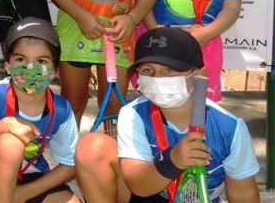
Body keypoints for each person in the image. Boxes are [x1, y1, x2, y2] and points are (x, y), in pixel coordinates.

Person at [74, 27, 260, 203]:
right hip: (148, 195)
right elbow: (138, 185)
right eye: (147, 70)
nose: (157, 78)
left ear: (200, 75)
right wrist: (173, 159)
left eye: (169, 70)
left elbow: (243, 194)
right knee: (92, 147)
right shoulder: (133, 114)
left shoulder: (230, 128)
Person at [0, 18, 79, 203]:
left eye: (41, 61)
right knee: (11, 145)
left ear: (54, 70)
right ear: (7, 66)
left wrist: (25, 193)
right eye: (21, 59)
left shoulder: (61, 109)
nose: (31, 68)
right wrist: (3, 126)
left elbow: (70, 164)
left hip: (31, 174)